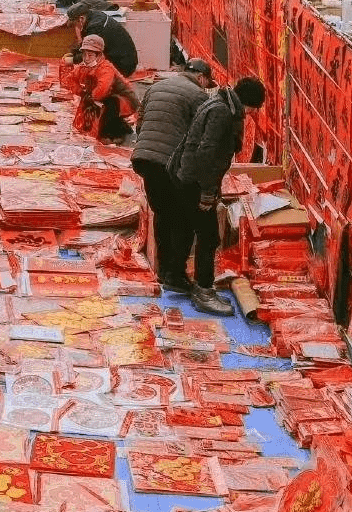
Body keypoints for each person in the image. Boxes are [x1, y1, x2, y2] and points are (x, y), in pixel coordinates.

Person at [170, 75, 267, 315]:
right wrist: (207, 192)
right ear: (248, 103)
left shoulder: (217, 103)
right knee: (209, 236)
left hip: (187, 176)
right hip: (195, 181)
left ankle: (174, 275)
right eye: (254, 109)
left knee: (187, 227)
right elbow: (207, 153)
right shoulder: (223, 113)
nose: (253, 115)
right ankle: (204, 291)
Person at [131, 58, 213, 291]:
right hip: (171, 163)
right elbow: (201, 138)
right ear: (201, 78)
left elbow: (140, 123)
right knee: (183, 217)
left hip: (145, 158)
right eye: (207, 83)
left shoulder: (156, 86)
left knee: (162, 213)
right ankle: (175, 275)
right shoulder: (198, 96)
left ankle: (163, 269)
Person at [59, 34, 137, 141]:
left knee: (109, 106)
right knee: (88, 106)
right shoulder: (84, 66)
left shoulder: (106, 68)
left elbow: (103, 89)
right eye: (84, 55)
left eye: (90, 55)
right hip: (101, 96)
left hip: (123, 99)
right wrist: (81, 92)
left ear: (99, 55)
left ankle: (108, 134)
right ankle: (121, 128)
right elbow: (69, 80)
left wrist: (91, 96)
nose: (86, 59)